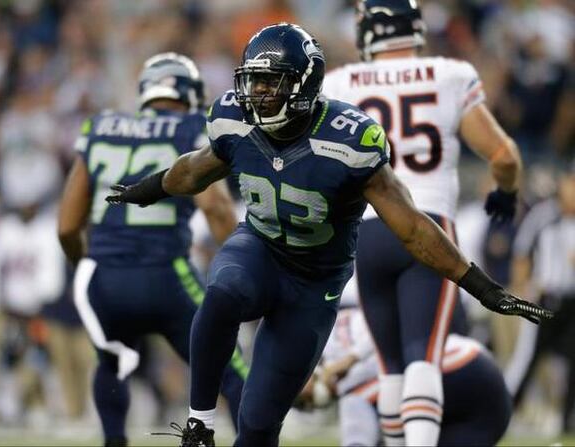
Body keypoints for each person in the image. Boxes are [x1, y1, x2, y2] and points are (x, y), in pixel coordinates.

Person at [105, 24, 551, 447]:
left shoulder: (349, 141)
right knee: (223, 289)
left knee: (258, 426)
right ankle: (199, 423)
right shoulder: (235, 121)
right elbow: (192, 171)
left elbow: (414, 230)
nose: (257, 93)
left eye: (270, 82)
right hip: (259, 249)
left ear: (303, 84)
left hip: (313, 285)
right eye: (253, 81)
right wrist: (145, 190)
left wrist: (481, 288)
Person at [320, 1, 525, 444]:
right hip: (430, 227)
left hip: (369, 231)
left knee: (391, 366)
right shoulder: (449, 75)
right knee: (422, 357)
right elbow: (504, 155)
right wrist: (505, 194)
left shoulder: (339, 83)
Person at [57, 52, 246, 447]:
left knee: (112, 363)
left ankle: (114, 441)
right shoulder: (193, 126)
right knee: (225, 365)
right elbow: (214, 206)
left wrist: (87, 265)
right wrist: (248, 262)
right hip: (166, 273)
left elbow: (67, 226)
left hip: (105, 276)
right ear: (190, 93)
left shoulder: (102, 125)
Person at [298, 307, 512, 446]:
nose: (311, 398)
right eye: (305, 403)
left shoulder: (334, 335)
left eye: (303, 396)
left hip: (467, 368)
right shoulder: (348, 394)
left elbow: (388, 325)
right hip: (481, 414)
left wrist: (351, 358)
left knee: (370, 396)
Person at [505, 162, 575, 434]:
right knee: (526, 358)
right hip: (545, 298)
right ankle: (507, 411)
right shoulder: (546, 215)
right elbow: (522, 253)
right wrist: (522, 293)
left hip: (573, 301)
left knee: (573, 363)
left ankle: (566, 422)